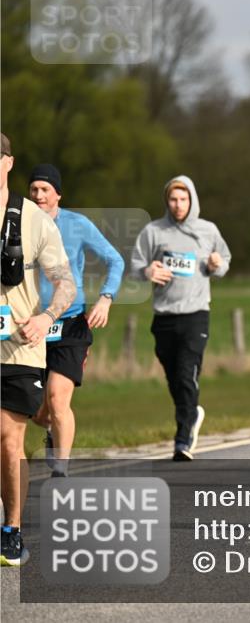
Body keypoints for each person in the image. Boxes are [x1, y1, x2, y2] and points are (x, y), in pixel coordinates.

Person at [1, 133, 76, 566]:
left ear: (8, 162)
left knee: (9, 440)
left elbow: (65, 282)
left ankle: (10, 530)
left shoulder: (34, 220)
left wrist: (47, 317)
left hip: (19, 349)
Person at [27, 164, 124, 476]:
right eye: (34, 189)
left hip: (70, 324)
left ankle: (61, 469)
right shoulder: (20, 225)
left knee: (57, 397)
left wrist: (106, 298)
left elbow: (114, 259)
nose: (39, 195)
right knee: (36, 409)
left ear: (58, 194)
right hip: (31, 325)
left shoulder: (77, 225)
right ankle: (50, 424)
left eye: (45, 189)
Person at [130, 176, 231, 461]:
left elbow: (224, 260)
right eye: (173, 199)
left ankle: (183, 438)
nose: (178, 205)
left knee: (187, 373)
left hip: (196, 314)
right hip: (164, 316)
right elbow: (135, 266)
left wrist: (216, 265)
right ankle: (192, 412)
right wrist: (148, 272)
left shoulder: (207, 230)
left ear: (192, 200)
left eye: (183, 199)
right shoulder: (153, 231)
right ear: (167, 201)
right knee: (175, 378)